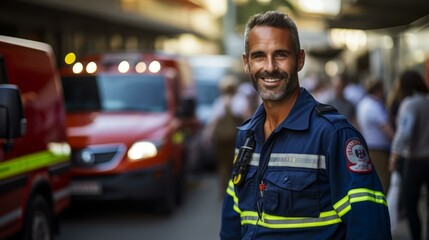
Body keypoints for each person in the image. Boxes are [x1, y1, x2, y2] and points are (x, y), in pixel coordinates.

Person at [220, 10, 391, 240]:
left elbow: (371, 231)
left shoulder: (334, 136)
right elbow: (232, 225)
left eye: (280, 55)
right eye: (259, 55)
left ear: (299, 59)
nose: (270, 67)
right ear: (246, 63)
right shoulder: (247, 136)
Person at [389, 70, 429, 240]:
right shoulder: (427, 101)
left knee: (411, 206)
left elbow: (404, 132)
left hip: (413, 162)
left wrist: (394, 156)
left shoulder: (409, 104)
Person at [204, 74, 245, 198]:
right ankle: (235, 190)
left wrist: (208, 136)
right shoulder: (240, 100)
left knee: (222, 165)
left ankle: (224, 191)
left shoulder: (219, 101)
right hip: (236, 138)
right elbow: (247, 118)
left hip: (221, 139)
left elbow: (213, 121)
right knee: (236, 164)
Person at [356, 77, 394, 194]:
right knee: (384, 181)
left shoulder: (363, 103)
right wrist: (396, 142)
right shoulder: (375, 106)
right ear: (379, 89)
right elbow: (387, 128)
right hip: (379, 149)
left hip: (369, 145)